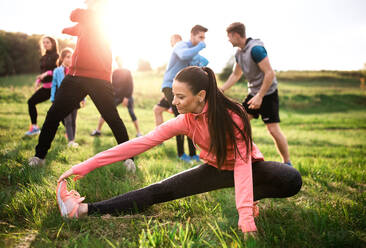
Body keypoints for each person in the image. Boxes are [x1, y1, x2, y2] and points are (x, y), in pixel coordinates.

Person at [56, 66, 302, 236]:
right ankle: (82, 210)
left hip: (248, 167)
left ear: (201, 96)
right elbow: (139, 144)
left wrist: (246, 218)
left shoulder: (234, 117)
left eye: (180, 97)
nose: (174, 102)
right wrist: (83, 167)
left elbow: (241, 164)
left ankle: (247, 198)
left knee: (291, 179)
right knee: (157, 191)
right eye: (174, 95)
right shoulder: (185, 120)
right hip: (214, 169)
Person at [28, 0, 135, 172]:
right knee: (54, 114)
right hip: (76, 76)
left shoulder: (103, 18)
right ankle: (39, 157)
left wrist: (88, 11)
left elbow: (75, 14)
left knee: (112, 118)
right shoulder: (85, 22)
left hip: (99, 78)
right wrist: (65, 30)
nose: (89, 5)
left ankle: (129, 158)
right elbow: (73, 25)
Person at [221, 22, 292, 166]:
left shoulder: (256, 49)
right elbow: (236, 74)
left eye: (229, 36)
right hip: (253, 93)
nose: (228, 39)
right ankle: (244, 157)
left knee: (272, 129)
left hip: (268, 93)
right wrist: (221, 90)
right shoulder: (239, 53)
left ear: (235, 35)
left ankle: (287, 163)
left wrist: (260, 96)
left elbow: (269, 73)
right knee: (238, 122)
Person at [161, 27, 209, 163]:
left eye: (204, 38)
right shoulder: (180, 46)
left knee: (190, 118)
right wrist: (200, 47)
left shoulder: (192, 52)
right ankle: (181, 154)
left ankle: (193, 154)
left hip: (184, 89)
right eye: (200, 37)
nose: (203, 41)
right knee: (181, 120)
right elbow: (183, 56)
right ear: (192, 36)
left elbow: (203, 62)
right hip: (171, 86)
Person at [90, 56, 141, 137]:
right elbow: (112, 85)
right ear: (116, 62)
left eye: (120, 60)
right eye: (118, 61)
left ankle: (139, 133)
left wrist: (127, 97)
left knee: (131, 113)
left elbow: (130, 86)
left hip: (127, 96)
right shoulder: (115, 72)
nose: (119, 62)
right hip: (116, 96)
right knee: (106, 111)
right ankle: (98, 131)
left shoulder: (127, 71)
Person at [25, 36, 59, 136]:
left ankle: (69, 134)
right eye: (43, 43)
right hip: (45, 88)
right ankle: (35, 128)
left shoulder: (57, 56)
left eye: (47, 42)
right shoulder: (43, 58)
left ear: (53, 43)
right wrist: (38, 80)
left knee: (58, 110)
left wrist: (47, 73)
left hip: (55, 88)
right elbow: (42, 72)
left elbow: (59, 71)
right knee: (31, 102)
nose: (45, 44)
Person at [51, 48, 83, 148]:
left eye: (71, 57)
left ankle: (72, 140)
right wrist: (52, 98)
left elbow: (81, 86)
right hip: (63, 99)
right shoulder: (57, 71)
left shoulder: (76, 71)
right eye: (68, 57)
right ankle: (70, 141)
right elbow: (54, 85)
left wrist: (83, 98)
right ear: (62, 58)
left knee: (73, 121)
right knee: (67, 121)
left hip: (75, 99)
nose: (70, 59)